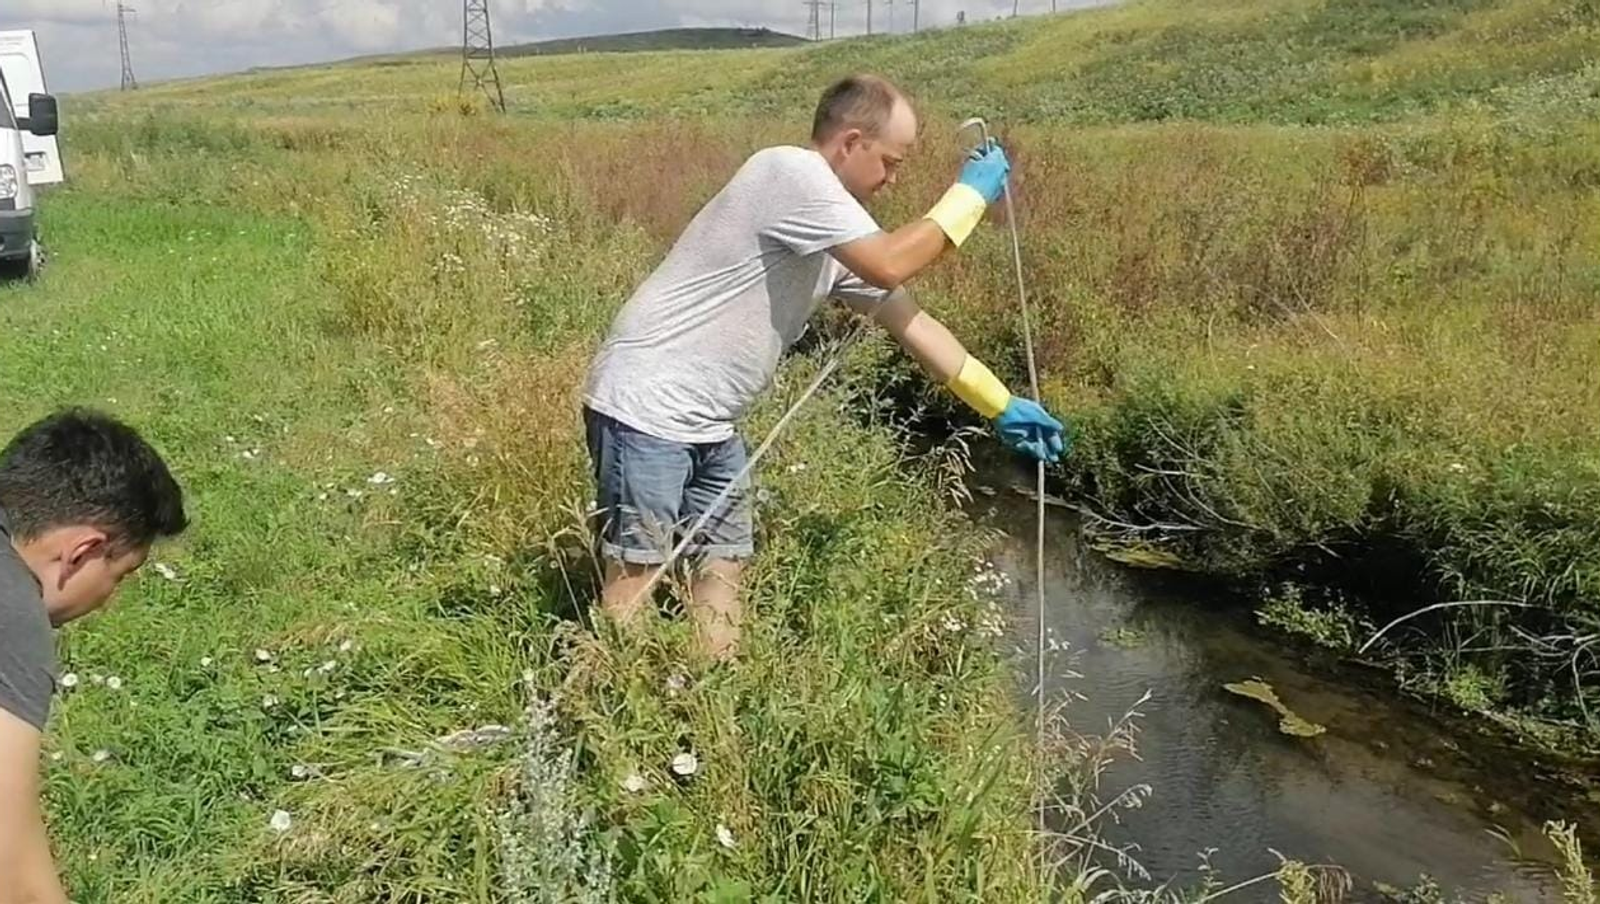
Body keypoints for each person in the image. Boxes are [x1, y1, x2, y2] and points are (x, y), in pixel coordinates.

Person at [582, 74, 1066, 660]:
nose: (892, 180)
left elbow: (912, 323)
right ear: (851, 142)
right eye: (890, 163)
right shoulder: (789, 173)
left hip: (711, 423)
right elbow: (891, 264)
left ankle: (714, 690)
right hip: (647, 406)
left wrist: (1000, 403)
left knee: (724, 563)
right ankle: (615, 694)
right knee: (638, 572)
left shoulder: (835, 235)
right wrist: (970, 194)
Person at [0, 408, 188, 904]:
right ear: (83, 551)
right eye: (119, 575)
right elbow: (10, 881)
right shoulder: (12, 616)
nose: (108, 600)